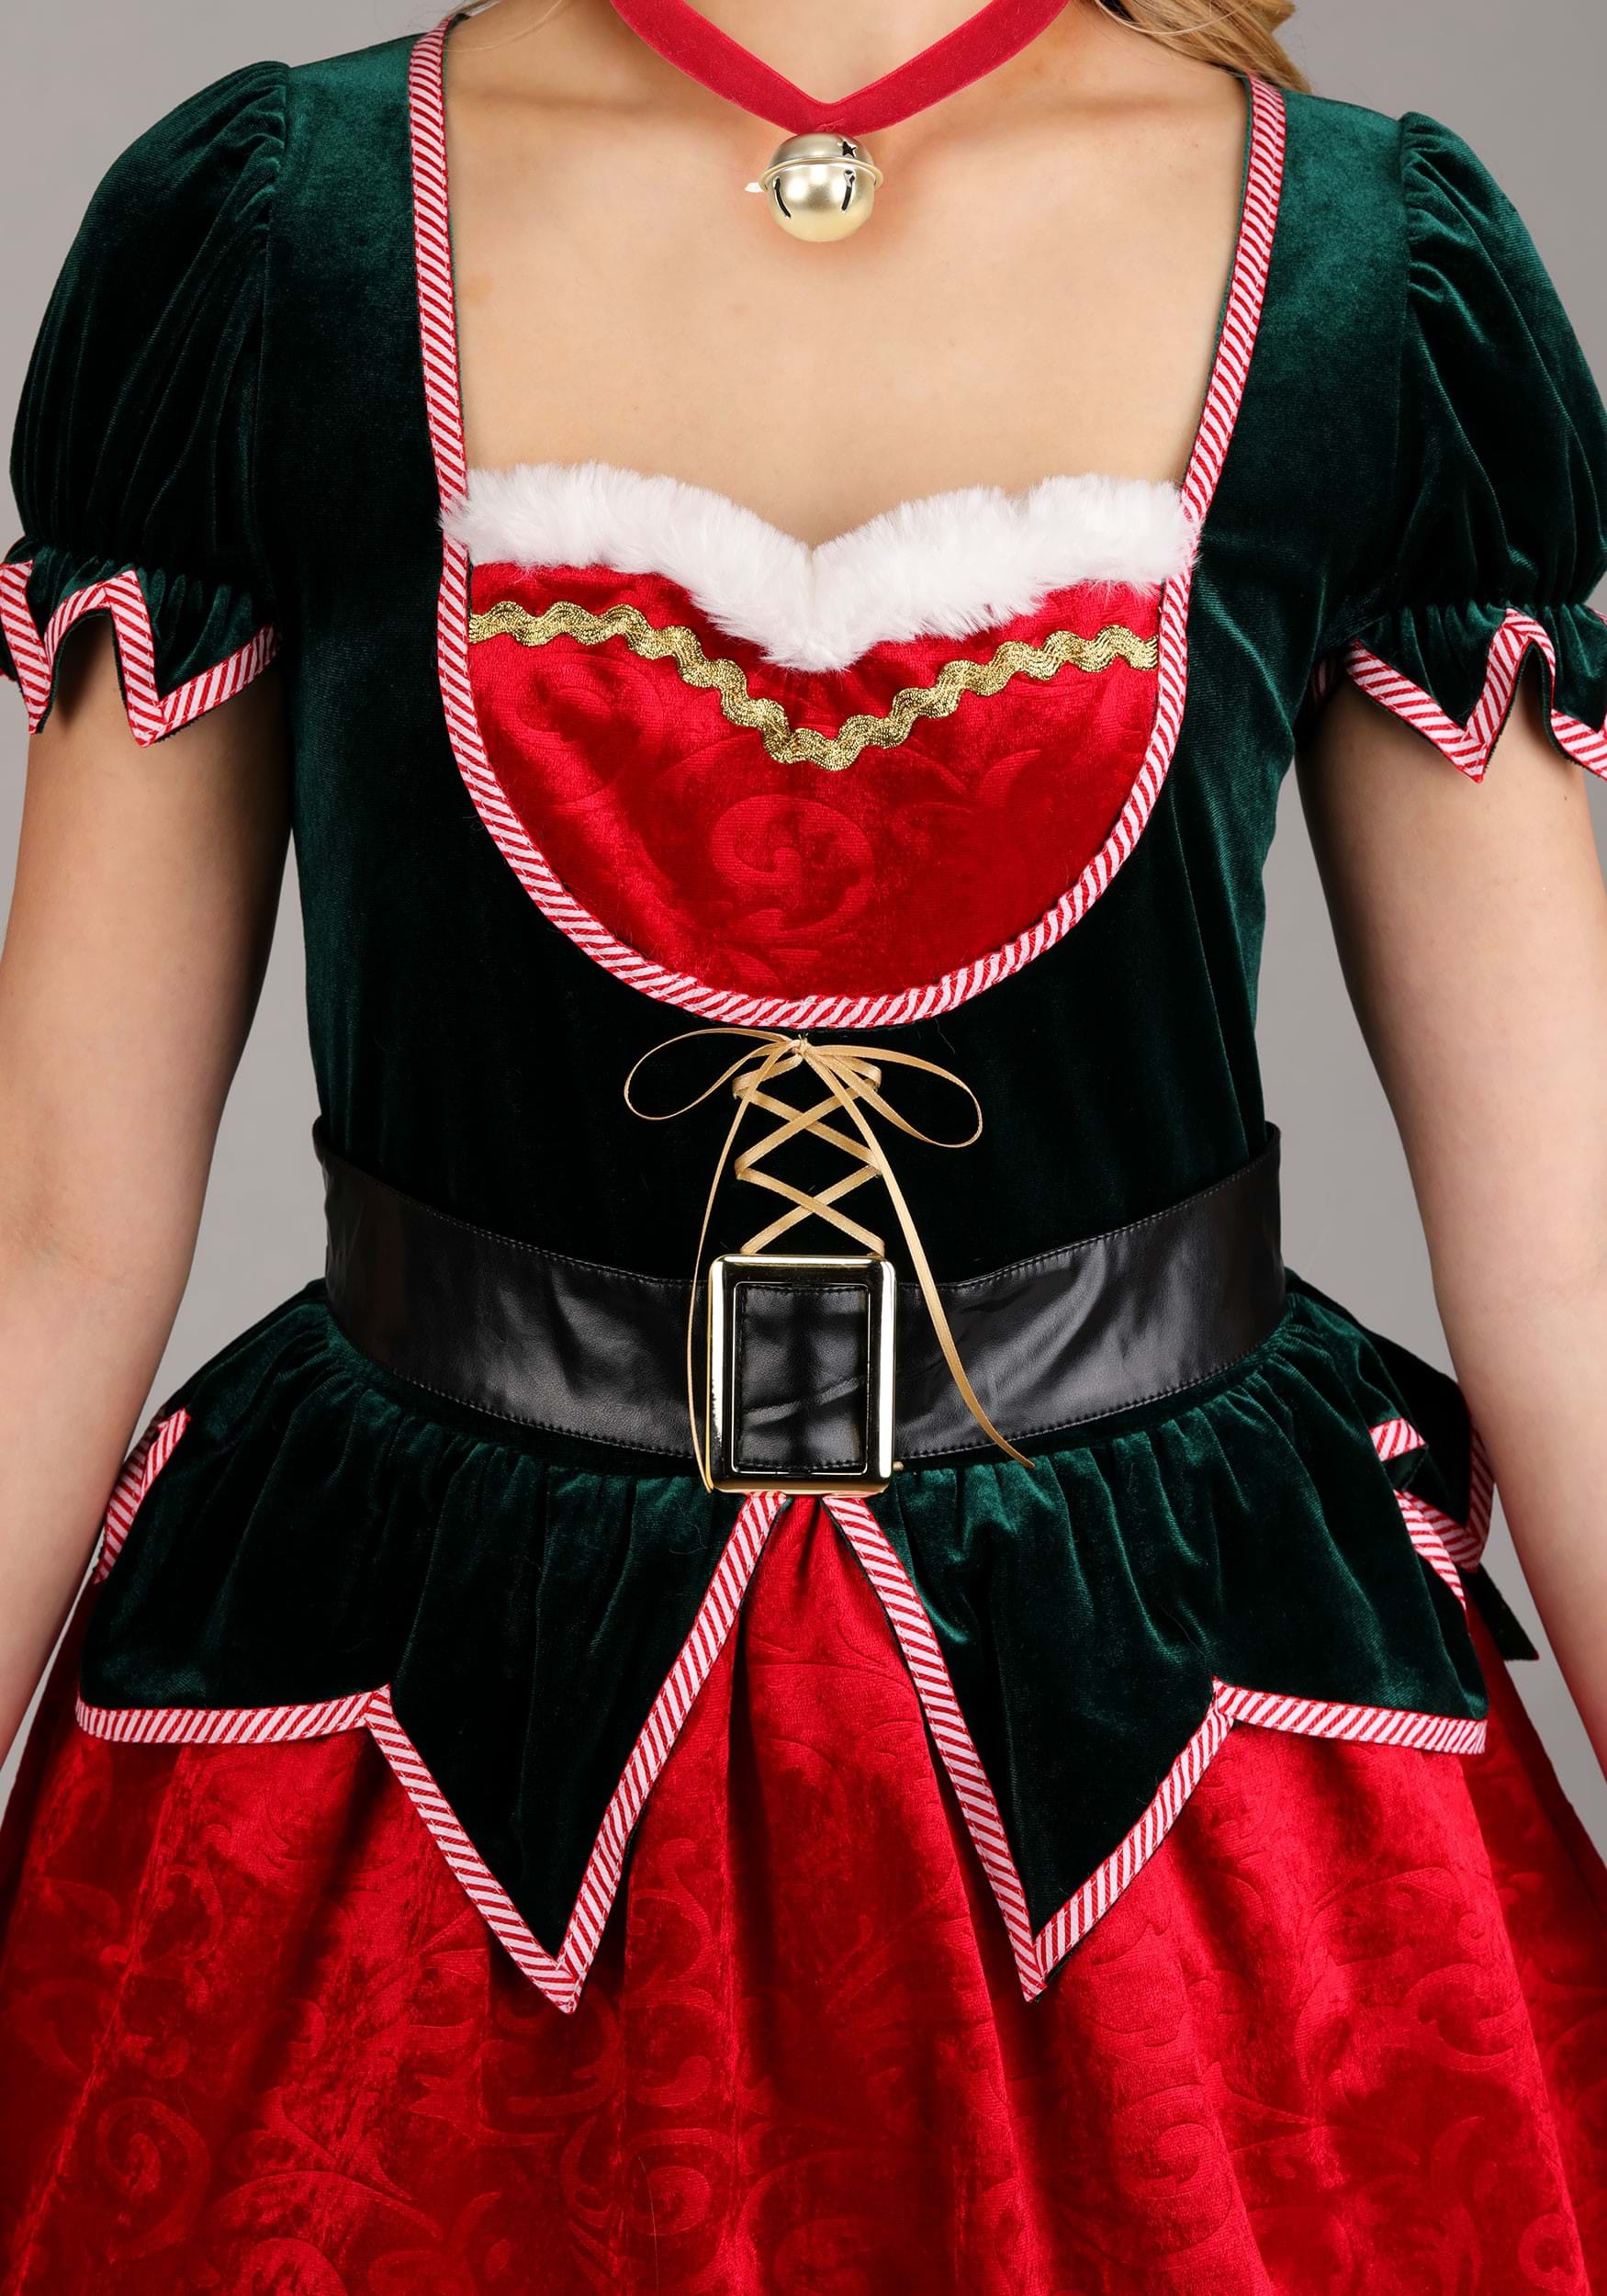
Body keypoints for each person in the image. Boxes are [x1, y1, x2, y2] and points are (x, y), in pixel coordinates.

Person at [2, 0, 1605, 2286]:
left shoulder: (1359, 272)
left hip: (1176, 1744)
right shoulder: (279, 242)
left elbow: (1571, 1263)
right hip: (405, 1724)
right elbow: (48, 1230)